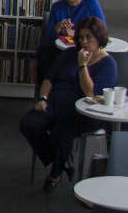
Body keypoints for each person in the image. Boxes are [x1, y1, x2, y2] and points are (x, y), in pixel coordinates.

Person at [20, 17, 117, 192]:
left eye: (89, 37)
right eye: (80, 38)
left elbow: (91, 94)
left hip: (82, 111)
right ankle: (61, 161)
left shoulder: (108, 64)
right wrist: (42, 98)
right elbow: (50, 78)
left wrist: (82, 66)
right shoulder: (69, 53)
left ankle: (55, 173)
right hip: (55, 101)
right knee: (29, 123)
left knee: (60, 133)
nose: (84, 42)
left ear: (99, 37)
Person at [35, 0, 107, 88]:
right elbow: (48, 38)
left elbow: (102, 30)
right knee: (46, 56)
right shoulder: (57, 7)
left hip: (84, 49)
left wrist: (77, 33)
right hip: (61, 50)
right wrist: (57, 29)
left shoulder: (91, 4)